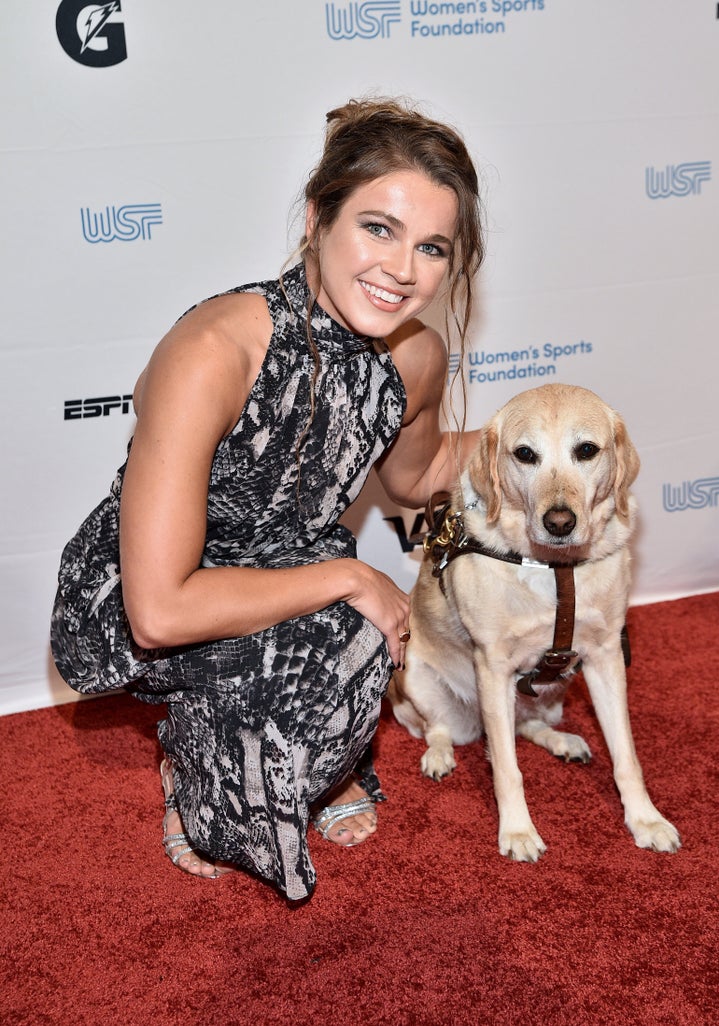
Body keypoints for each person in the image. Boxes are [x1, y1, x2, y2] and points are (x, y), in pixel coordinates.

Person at [50, 97, 484, 901]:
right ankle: (190, 756)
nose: (402, 270)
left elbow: (414, 478)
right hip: (147, 595)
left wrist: (532, 441)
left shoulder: (417, 358)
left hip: (283, 568)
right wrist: (349, 577)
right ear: (318, 217)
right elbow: (160, 610)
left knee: (358, 656)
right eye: (377, 228)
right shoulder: (215, 348)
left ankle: (269, 748)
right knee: (348, 614)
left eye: (432, 247)